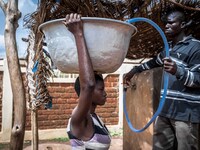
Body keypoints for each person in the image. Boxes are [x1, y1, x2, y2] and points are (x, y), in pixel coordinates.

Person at [124, 7, 200, 150]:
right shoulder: (169, 48)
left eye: (171, 23)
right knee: (160, 147)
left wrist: (178, 71)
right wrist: (134, 70)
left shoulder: (196, 47)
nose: (166, 26)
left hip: (185, 114)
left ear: (183, 25)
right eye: (166, 23)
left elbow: (198, 79)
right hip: (165, 110)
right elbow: (154, 62)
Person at [63, 13, 111, 149]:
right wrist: (78, 33)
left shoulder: (94, 117)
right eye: (101, 89)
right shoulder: (79, 119)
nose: (105, 93)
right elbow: (88, 85)